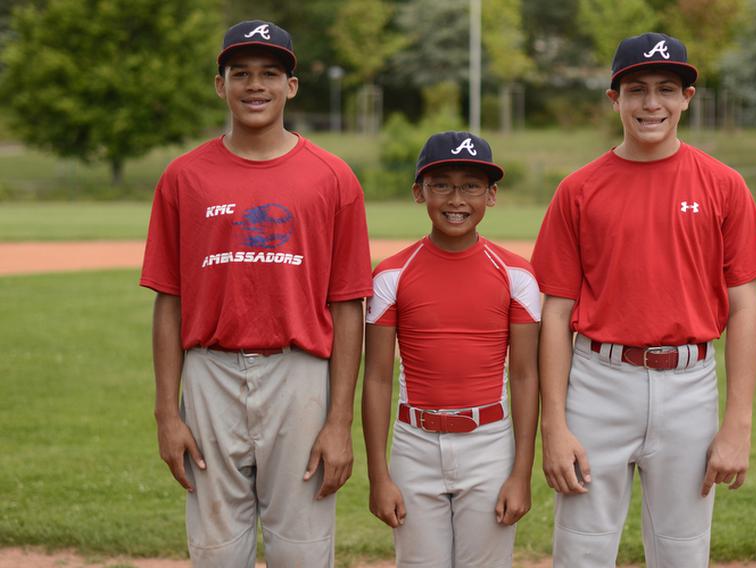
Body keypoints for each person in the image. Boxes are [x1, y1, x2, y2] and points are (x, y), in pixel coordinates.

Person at [531, 32, 756, 567]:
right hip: (597, 383)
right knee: (582, 552)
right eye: (636, 89)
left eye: (667, 89)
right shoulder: (578, 190)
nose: (651, 104)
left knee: (683, 553)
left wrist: (738, 422)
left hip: (689, 386)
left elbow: (744, 307)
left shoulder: (723, 185)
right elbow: (555, 312)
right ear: (613, 97)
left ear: (688, 97)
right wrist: (555, 423)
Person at [139, 20, 372, 567]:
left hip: (300, 376)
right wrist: (166, 415)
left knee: (302, 551)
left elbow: (347, 306)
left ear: (292, 86)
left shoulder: (332, 177)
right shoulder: (184, 176)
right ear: (220, 85)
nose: (254, 85)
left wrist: (339, 423)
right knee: (216, 551)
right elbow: (168, 299)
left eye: (270, 73)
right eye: (239, 73)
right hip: (208, 373)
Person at [362, 131, 540, 567]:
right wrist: (379, 475)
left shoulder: (517, 274)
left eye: (471, 186)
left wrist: (520, 473)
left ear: (491, 195)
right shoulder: (391, 275)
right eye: (441, 184)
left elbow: (524, 375)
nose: (455, 199)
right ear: (418, 192)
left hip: (489, 444)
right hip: (414, 443)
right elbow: (378, 378)